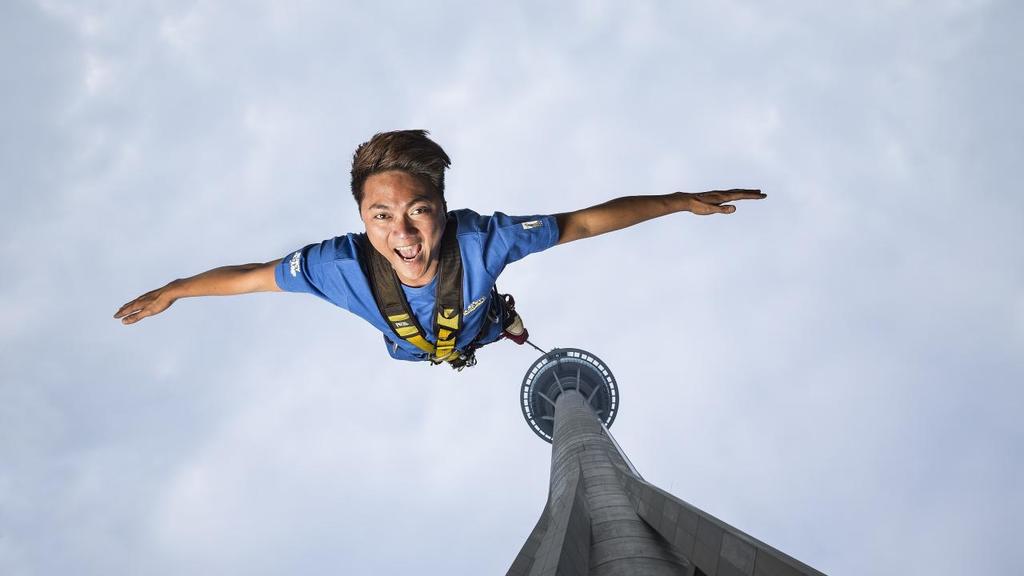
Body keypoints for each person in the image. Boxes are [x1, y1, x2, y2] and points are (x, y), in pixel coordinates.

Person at [115, 130, 765, 368]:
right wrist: (176, 288)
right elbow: (253, 277)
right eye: (382, 216)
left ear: (443, 210)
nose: (404, 234)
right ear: (361, 221)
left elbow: (586, 223)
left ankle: (503, 320)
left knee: (494, 326)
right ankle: (494, 324)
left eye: (419, 210)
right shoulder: (337, 266)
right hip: (414, 345)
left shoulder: (485, 240)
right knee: (458, 338)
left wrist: (679, 201)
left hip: (472, 326)